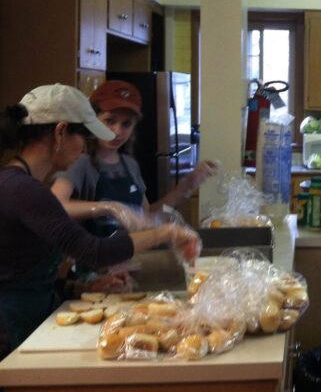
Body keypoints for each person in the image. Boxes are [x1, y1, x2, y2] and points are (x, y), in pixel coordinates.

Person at [0, 84, 199, 359]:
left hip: (31, 323)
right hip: (10, 334)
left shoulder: (23, 186)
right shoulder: (24, 191)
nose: (84, 148)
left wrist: (82, 288)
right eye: (84, 136)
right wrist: (165, 233)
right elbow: (94, 251)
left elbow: (28, 276)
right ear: (60, 132)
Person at [51, 80, 218, 237]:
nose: (117, 131)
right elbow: (54, 206)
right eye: (110, 121)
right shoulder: (81, 162)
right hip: (94, 262)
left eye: (126, 124)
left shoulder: (129, 165)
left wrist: (188, 184)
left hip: (129, 257)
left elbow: (146, 215)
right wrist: (109, 208)